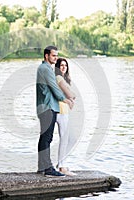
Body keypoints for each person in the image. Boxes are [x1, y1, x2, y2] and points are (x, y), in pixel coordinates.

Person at [36, 45, 73, 177]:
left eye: (57, 55)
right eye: (53, 55)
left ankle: (42, 167)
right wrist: (65, 99)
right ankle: (47, 168)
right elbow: (54, 88)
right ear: (47, 56)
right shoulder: (45, 69)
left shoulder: (46, 68)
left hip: (47, 107)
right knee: (47, 138)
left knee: (45, 137)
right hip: (48, 107)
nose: (55, 58)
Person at [55, 58, 77, 176]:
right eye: (61, 65)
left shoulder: (64, 79)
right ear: (58, 67)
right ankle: (62, 166)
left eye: (65, 65)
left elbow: (69, 95)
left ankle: (61, 163)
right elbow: (70, 94)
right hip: (60, 111)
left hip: (65, 111)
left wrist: (70, 99)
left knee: (71, 138)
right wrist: (71, 98)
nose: (64, 67)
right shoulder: (58, 78)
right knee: (65, 139)